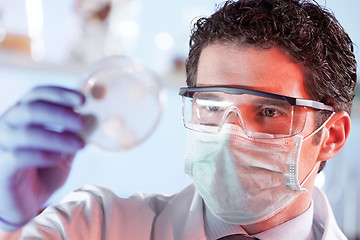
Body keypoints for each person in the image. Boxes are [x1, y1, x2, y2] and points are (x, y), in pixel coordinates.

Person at [0, 0, 357, 239]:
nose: (228, 135)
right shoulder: (97, 224)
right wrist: (8, 217)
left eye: (268, 111)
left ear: (332, 135)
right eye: (212, 106)